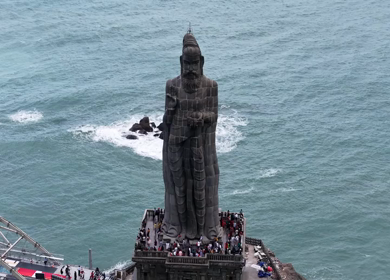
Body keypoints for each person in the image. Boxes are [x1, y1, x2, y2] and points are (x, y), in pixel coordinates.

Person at [162, 30, 220, 240]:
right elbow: (166, 122)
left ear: (201, 62)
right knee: (177, 187)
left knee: (201, 186)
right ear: (181, 61)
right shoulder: (172, 85)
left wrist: (202, 117)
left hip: (198, 144)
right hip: (176, 144)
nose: (191, 69)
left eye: (195, 64)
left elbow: (214, 115)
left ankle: (205, 228)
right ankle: (176, 226)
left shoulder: (210, 86)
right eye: (187, 63)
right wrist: (169, 109)